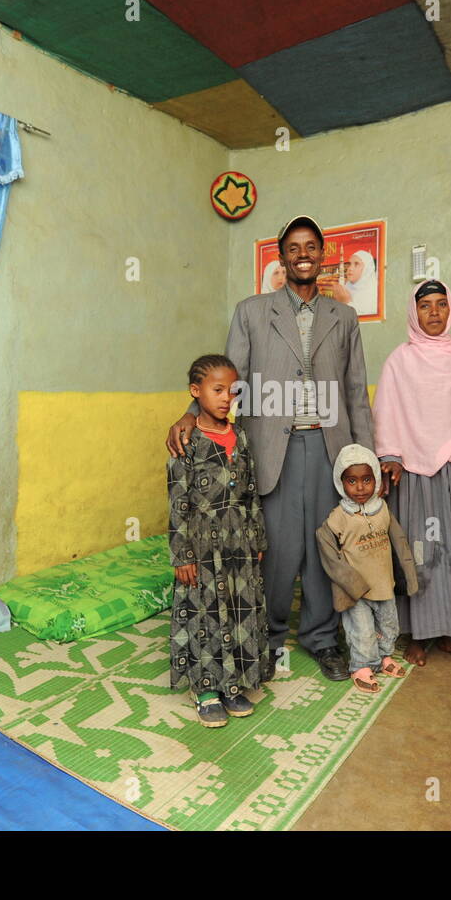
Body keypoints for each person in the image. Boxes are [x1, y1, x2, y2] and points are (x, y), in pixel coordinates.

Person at [166, 215, 385, 683]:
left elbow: (354, 390)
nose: (302, 254)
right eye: (293, 248)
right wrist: (191, 411)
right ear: (281, 258)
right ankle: (265, 639)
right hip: (271, 448)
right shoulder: (252, 311)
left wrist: (366, 457)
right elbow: (230, 378)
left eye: (310, 247)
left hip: (330, 446)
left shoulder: (343, 318)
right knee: (277, 550)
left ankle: (323, 639)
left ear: (322, 255)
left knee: (328, 549)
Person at [375, 279, 451, 668]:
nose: (434, 312)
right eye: (425, 305)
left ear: (450, 310)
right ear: (414, 313)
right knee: (420, 553)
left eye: (441, 304)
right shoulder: (400, 360)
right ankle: (417, 634)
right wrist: (390, 456)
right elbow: (387, 412)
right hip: (414, 473)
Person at [168, 354, 268, 727]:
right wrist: (182, 555)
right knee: (206, 614)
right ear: (196, 393)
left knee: (239, 609)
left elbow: (252, 491)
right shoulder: (186, 440)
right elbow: (177, 501)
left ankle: (231, 683)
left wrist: (257, 535)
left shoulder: (238, 435)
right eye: (217, 390)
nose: (227, 398)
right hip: (201, 543)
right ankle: (205, 687)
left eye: (232, 390)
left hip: (238, 540)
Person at [315, 444, 418, 693]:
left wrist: (407, 575)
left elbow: (399, 543)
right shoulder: (339, 516)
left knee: (388, 626)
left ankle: (384, 658)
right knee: (361, 630)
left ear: (377, 479)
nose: (360, 487)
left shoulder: (382, 509)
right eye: (352, 481)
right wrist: (350, 583)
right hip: (357, 590)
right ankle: (362, 665)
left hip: (384, 584)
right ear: (341, 483)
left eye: (367, 480)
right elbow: (326, 547)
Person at [343, 249, 378, 315]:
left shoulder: (374, 292)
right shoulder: (347, 286)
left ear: (367, 269)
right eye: (349, 264)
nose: (350, 268)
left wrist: (347, 302)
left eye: (356, 264)